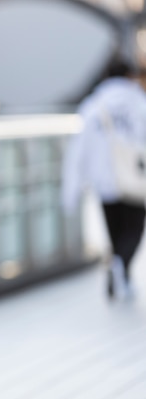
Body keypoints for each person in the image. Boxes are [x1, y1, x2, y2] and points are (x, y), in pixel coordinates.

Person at [62, 59, 146, 300]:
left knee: (115, 231)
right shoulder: (138, 102)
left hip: (104, 181)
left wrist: (72, 189)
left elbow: (79, 150)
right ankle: (121, 267)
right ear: (129, 76)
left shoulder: (93, 105)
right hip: (134, 178)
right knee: (134, 229)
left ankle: (120, 271)